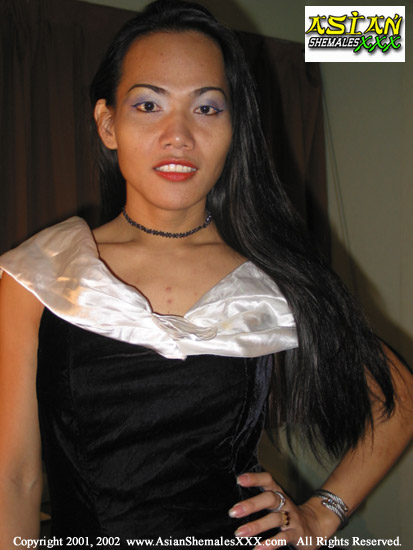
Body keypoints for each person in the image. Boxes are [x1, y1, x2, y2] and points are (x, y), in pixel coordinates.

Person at [0, 0, 411, 548]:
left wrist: (321, 515)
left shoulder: (269, 278)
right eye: (149, 105)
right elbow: (15, 479)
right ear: (108, 124)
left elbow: (398, 398)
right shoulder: (41, 273)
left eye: (207, 108)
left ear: (234, 128)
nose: (179, 135)